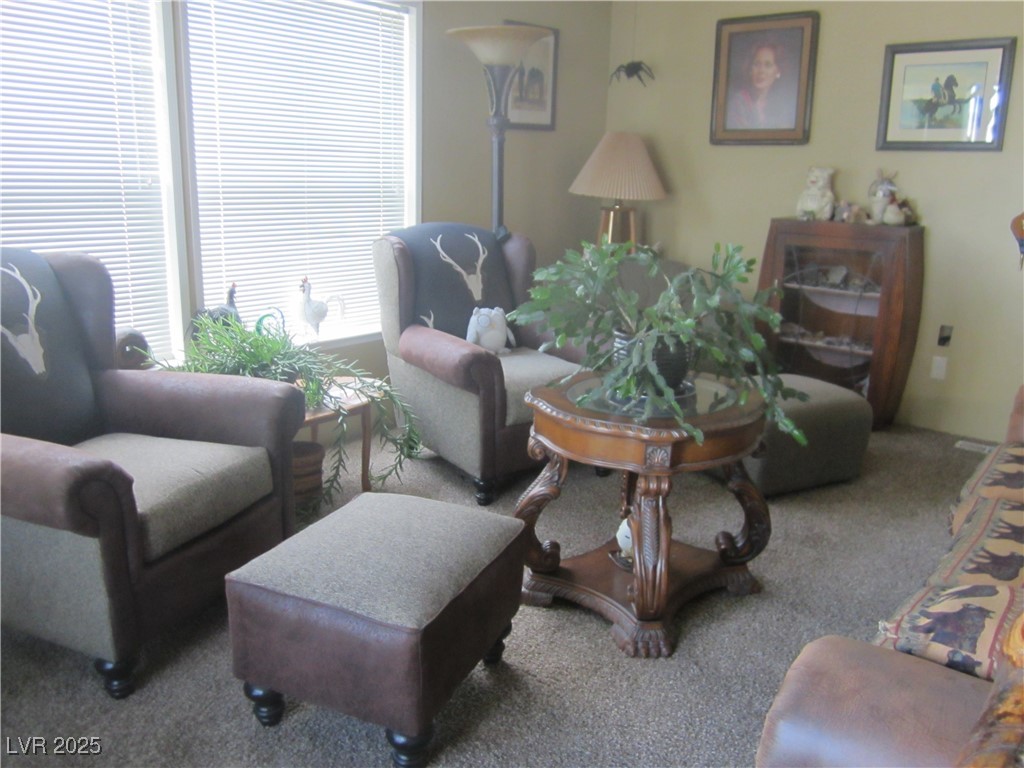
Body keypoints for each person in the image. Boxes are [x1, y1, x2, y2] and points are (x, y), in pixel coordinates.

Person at [725, 41, 793, 130]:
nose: (761, 71)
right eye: (756, 64)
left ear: (778, 71)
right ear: (750, 69)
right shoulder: (739, 101)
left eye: (768, 65)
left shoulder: (782, 104)